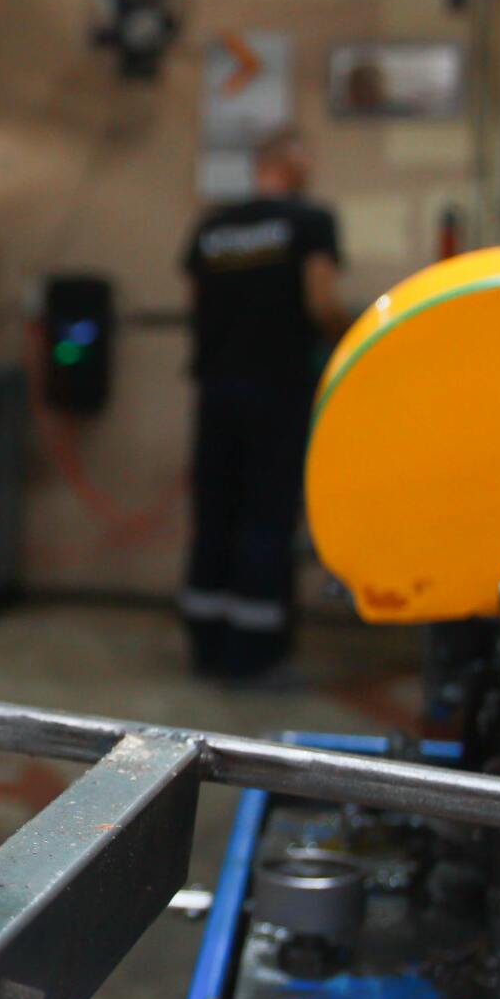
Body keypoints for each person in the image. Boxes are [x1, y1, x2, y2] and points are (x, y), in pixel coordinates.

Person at [179, 128, 347, 682]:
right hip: (277, 388)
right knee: (266, 517)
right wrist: (348, 337)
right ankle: (254, 654)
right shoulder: (309, 222)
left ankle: (205, 643)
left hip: (217, 389)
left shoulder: (214, 228)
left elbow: (196, 306)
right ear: (291, 164)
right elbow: (320, 301)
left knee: (215, 513)